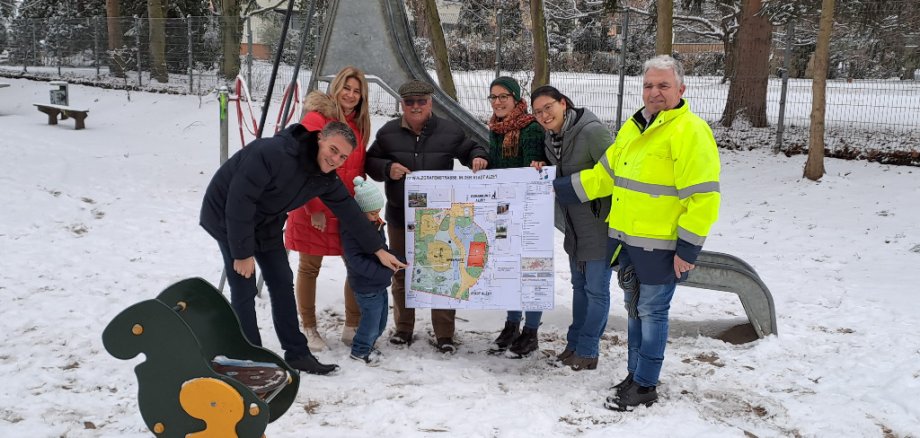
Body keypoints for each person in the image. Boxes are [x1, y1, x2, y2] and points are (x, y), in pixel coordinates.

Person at [553, 55, 721, 410]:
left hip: (662, 247)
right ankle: (635, 375)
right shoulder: (634, 128)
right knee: (635, 311)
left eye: (663, 85)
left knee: (652, 313)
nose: (654, 92)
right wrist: (556, 187)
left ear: (681, 89)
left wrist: (687, 251)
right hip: (628, 242)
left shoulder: (689, 130)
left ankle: (645, 385)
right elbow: (604, 177)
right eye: (648, 85)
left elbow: (703, 198)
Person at [200, 121, 406, 375]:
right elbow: (239, 200)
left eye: (342, 157)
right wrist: (242, 253)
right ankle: (248, 358)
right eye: (333, 150)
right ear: (320, 138)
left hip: (266, 221)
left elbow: (350, 212)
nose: (335, 160)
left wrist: (378, 250)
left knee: (282, 281)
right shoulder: (272, 153)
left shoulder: (324, 178)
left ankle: (297, 353)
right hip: (227, 215)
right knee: (243, 285)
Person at [365, 78, 489, 354]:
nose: (416, 106)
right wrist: (387, 168)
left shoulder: (448, 130)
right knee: (400, 271)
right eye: (410, 102)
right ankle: (403, 328)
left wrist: (478, 157)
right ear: (402, 105)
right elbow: (369, 163)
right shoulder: (387, 133)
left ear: (430, 103)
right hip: (400, 216)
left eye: (422, 101)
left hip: (439, 218)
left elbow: (470, 148)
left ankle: (445, 333)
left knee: (443, 271)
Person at [284, 66, 372, 351]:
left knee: (355, 266)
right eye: (346, 88)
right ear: (335, 88)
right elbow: (302, 165)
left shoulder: (358, 125)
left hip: (346, 207)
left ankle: (352, 325)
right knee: (310, 267)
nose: (350, 94)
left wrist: (366, 205)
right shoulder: (316, 119)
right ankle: (308, 327)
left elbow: (357, 170)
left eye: (356, 91)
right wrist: (313, 207)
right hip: (315, 205)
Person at [528, 85, 614, 372]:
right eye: (538, 112)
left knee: (596, 290)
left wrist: (563, 186)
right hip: (574, 226)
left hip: (600, 224)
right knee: (579, 287)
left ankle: (589, 350)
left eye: (548, 107)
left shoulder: (592, 132)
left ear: (563, 103)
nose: (543, 115)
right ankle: (575, 344)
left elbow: (615, 175)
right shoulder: (552, 136)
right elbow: (557, 168)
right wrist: (542, 165)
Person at [482, 76, 548, 358]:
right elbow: (498, 165)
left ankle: (530, 331)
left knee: (531, 270)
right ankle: (512, 325)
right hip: (505, 209)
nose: (498, 102)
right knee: (510, 269)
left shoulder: (530, 128)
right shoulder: (495, 128)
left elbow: (534, 165)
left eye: (503, 97)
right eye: (493, 97)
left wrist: (537, 166)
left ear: (516, 99)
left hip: (529, 210)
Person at [341, 176, 404, 366]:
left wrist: (397, 259)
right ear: (361, 212)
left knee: (381, 319)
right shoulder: (350, 232)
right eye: (373, 212)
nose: (377, 216)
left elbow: (382, 250)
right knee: (370, 320)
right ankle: (360, 350)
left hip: (378, 283)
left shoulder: (375, 225)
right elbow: (356, 261)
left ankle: (369, 345)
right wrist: (384, 272)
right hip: (366, 285)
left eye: (378, 211)